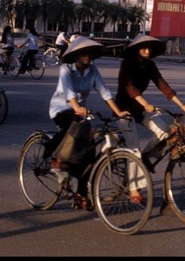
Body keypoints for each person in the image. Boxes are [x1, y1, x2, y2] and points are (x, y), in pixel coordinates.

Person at [45, 36, 131, 210]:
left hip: (81, 113)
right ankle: (54, 158)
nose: (87, 56)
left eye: (89, 53)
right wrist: (77, 107)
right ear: (75, 55)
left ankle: (81, 194)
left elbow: (104, 91)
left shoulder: (92, 70)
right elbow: (69, 94)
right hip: (62, 109)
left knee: (89, 154)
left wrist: (118, 112)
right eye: (83, 53)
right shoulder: (66, 69)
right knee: (72, 124)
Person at [115, 34, 185, 177]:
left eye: (149, 49)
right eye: (144, 48)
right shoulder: (127, 63)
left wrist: (181, 105)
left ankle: (144, 158)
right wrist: (146, 104)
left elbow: (162, 84)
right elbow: (130, 88)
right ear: (136, 49)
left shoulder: (150, 65)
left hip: (140, 108)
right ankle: (134, 187)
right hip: (123, 109)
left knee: (164, 131)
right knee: (134, 148)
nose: (148, 51)